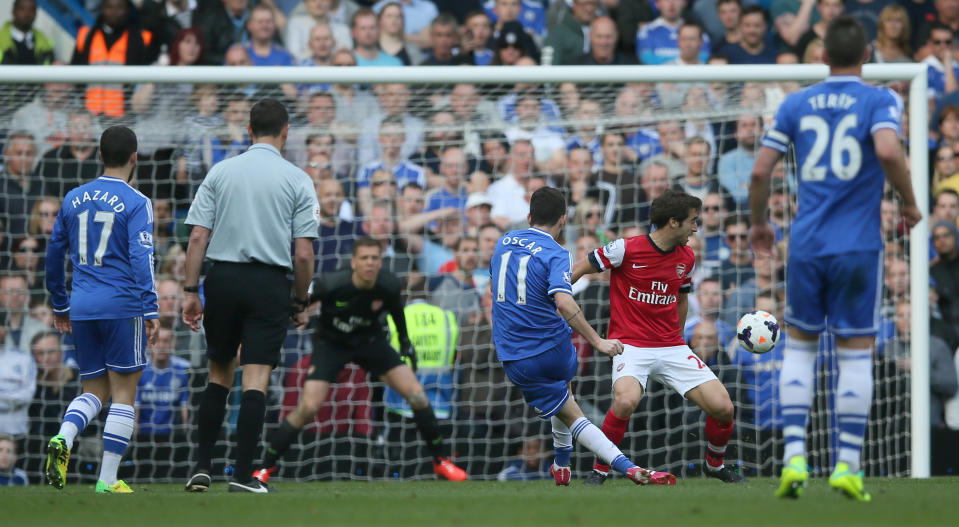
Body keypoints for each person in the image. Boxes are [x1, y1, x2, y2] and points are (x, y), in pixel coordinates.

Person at [749, 15, 921, 501]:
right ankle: (847, 464)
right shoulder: (881, 98)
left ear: (822, 56)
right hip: (858, 245)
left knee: (800, 348)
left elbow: (761, 170)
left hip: (806, 243)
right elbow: (888, 149)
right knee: (854, 352)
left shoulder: (796, 102)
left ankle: (794, 458)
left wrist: (761, 221)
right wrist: (908, 201)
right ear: (867, 54)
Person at [490, 186, 670, 487]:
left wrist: (597, 342)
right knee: (565, 393)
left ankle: (629, 468)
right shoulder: (558, 252)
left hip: (519, 354)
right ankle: (562, 464)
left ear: (529, 215)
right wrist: (596, 340)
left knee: (573, 415)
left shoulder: (503, 242)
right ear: (563, 221)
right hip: (557, 346)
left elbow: (522, 293)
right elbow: (563, 300)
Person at [181, 99, 318, 494]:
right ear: (286, 132)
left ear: (249, 131)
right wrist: (301, 297)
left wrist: (192, 290)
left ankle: (201, 468)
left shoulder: (221, 172)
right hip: (269, 283)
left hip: (222, 279)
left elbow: (197, 236)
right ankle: (242, 477)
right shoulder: (297, 178)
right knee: (255, 378)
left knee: (219, 374)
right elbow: (304, 252)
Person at [252, 238, 467, 483]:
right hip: (332, 345)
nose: (370, 263)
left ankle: (441, 462)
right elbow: (300, 302)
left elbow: (397, 312)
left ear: (380, 261)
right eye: (364, 258)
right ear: (354, 262)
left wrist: (406, 342)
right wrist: (297, 311)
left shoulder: (388, 284)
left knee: (417, 394)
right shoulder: (332, 283)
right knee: (309, 407)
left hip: (370, 342)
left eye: (374, 258)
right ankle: (265, 468)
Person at [572, 189, 746, 486]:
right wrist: (553, 298)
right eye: (693, 221)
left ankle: (714, 465)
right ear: (673, 222)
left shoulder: (687, 258)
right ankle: (600, 471)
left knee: (724, 408)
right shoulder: (624, 249)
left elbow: (681, 297)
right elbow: (577, 270)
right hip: (630, 346)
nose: (696, 228)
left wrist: (676, 338)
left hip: (672, 346)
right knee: (625, 401)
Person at [43, 125, 160, 494]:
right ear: (134, 158)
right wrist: (151, 308)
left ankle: (64, 435)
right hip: (123, 306)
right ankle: (108, 480)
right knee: (124, 393)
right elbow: (142, 258)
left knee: (94, 388)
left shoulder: (73, 197)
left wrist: (60, 303)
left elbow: (53, 255)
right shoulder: (137, 201)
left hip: (82, 306)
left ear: (99, 156)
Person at [0, 0, 54, 66]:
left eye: (32, 10)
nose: (27, 13)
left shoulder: (45, 43)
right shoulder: (1, 41)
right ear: (13, 11)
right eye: (22, 8)